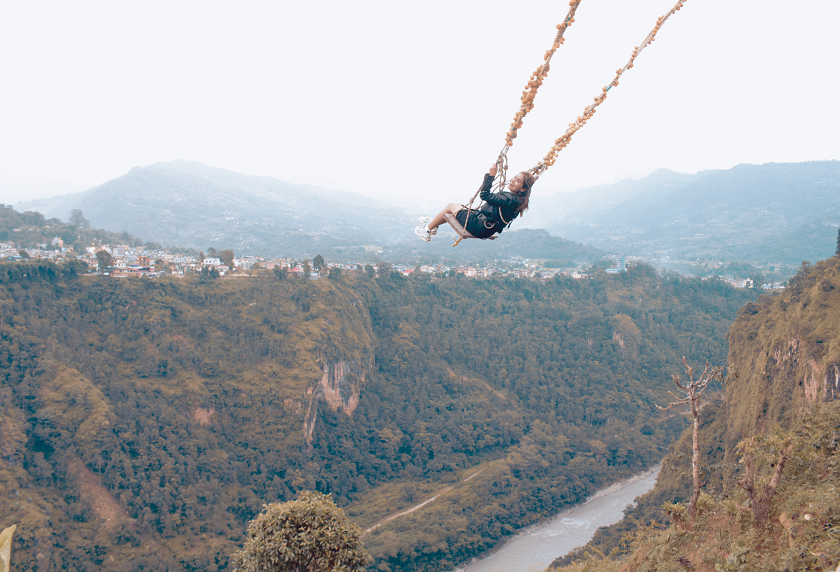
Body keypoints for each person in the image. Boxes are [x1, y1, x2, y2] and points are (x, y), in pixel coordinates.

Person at [414, 163, 534, 241]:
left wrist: (491, 176)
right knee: (458, 207)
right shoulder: (519, 200)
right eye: (514, 177)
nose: (513, 180)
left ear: (523, 188)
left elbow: (484, 195)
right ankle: (433, 224)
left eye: (518, 181)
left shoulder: (509, 199)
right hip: (486, 227)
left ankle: (426, 230)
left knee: (450, 207)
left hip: (480, 226)